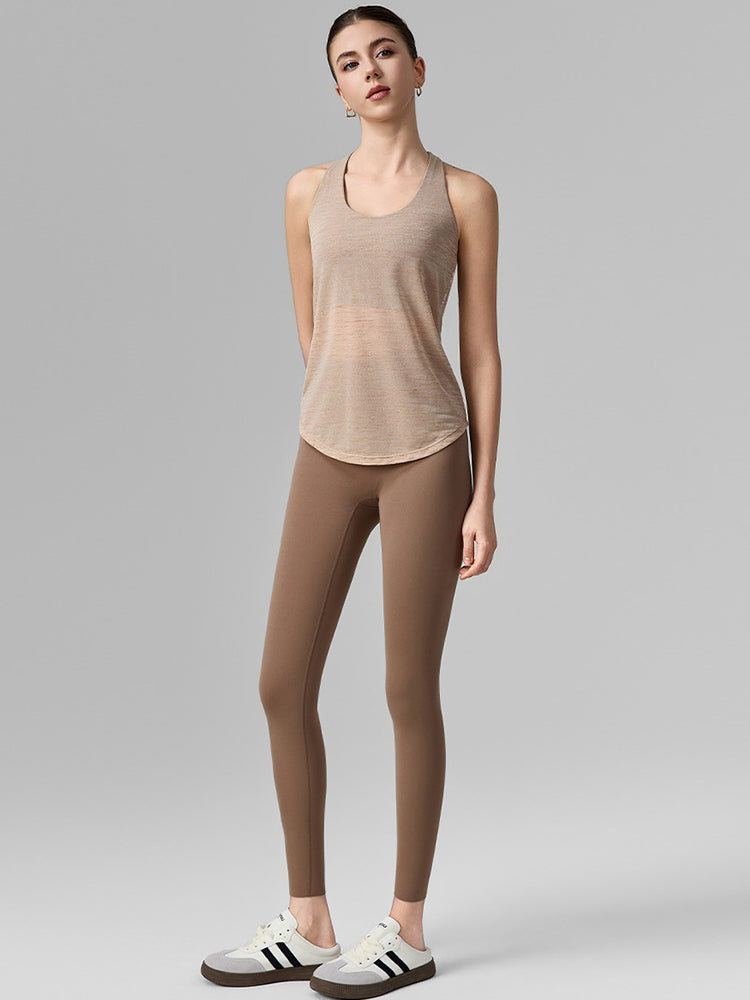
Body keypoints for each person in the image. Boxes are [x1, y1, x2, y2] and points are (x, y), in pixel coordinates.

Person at [201, 5, 501, 995]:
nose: (368, 70)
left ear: (418, 69)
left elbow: (481, 351)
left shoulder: (465, 195)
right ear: (336, 91)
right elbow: (313, 329)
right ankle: (309, 921)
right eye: (348, 62)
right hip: (328, 452)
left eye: (383, 53)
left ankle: (406, 927)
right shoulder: (304, 192)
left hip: (429, 457)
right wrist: (343, 399)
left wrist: (482, 493)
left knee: (407, 689)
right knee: (280, 682)